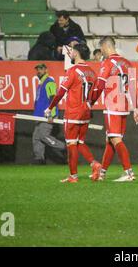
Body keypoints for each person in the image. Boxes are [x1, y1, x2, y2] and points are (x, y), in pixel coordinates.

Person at [44, 44, 102, 183]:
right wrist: (89, 104)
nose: (70, 53)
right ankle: (94, 164)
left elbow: (60, 92)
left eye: (72, 51)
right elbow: (96, 92)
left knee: (71, 143)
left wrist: (50, 108)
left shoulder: (73, 71)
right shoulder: (92, 72)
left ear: (76, 53)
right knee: (80, 142)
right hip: (86, 112)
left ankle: (73, 176)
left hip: (73, 112)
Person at [90, 36, 138, 182]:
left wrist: (90, 102)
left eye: (101, 49)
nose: (101, 52)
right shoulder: (127, 63)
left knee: (115, 138)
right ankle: (102, 173)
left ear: (105, 47)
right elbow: (132, 86)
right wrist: (135, 108)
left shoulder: (108, 62)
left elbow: (100, 84)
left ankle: (129, 173)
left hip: (112, 105)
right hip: (124, 105)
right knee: (110, 139)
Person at [32, 63, 66, 165]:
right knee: (36, 138)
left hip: (46, 115)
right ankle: (40, 160)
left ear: (46, 70)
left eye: (41, 69)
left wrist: (50, 114)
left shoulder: (49, 82)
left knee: (43, 136)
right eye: (37, 69)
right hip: (39, 116)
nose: (39, 71)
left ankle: (64, 147)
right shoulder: (41, 84)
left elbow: (53, 98)